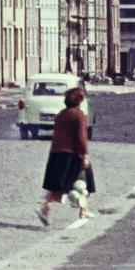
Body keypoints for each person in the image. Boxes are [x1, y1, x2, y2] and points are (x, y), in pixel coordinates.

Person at [36, 86, 91, 226]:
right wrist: (85, 154)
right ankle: (45, 208)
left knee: (81, 181)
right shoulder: (79, 115)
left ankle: (84, 209)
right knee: (63, 187)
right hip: (71, 155)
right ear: (79, 101)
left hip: (56, 153)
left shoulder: (61, 114)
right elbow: (81, 137)